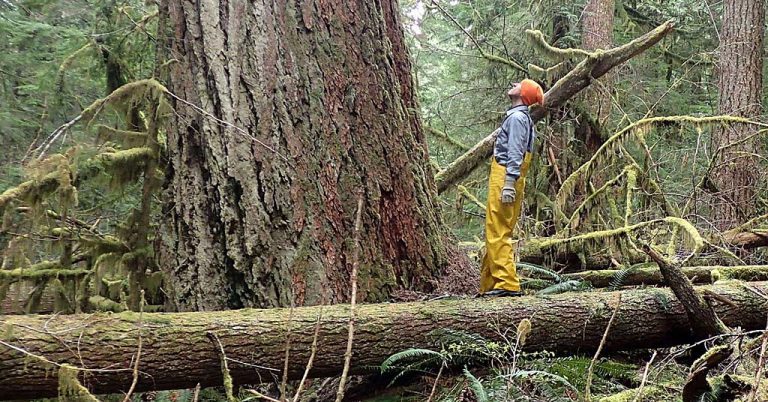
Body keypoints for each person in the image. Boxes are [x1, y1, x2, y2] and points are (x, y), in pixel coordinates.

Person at [479, 79, 544, 297]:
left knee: (498, 230)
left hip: (506, 174)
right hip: (510, 175)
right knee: (496, 228)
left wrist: (508, 184)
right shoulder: (521, 118)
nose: (514, 83)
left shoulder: (517, 118)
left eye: (520, 84)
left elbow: (515, 152)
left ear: (524, 94)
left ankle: (507, 283)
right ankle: (490, 284)